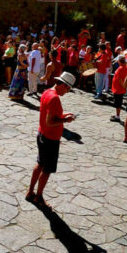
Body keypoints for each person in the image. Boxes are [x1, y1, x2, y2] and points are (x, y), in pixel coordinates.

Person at [25, 72, 76, 209]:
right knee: (46, 169)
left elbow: (50, 114)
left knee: (39, 164)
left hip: (42, 134)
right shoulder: (55, 99)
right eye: (68, 89)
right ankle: (39, 196)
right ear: (63, 85)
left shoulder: (47, 92)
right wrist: (65, 120)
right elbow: (50, 122)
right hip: (50, 138)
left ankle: (30, 191)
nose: (67, 91)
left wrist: (64, 115)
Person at [110, 55, 127, 122]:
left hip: (118, 89)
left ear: (119, 61)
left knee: (118, 104)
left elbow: (120, 79)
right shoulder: (126, 67)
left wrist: (124, 86)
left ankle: (117, 116)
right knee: (118, 102)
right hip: (120, 88)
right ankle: (117, 115)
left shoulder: (120, 69)